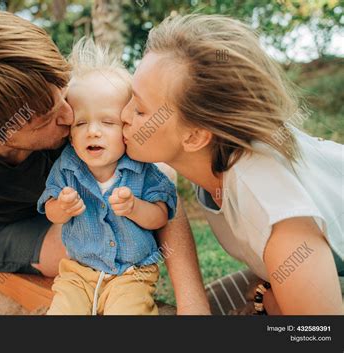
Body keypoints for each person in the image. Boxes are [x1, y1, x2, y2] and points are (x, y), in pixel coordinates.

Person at [0, 8, 210, 315]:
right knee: (85, 254)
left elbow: (153, 174)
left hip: (88, 207)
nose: (68, 115)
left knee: (143, 167)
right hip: (1, 229)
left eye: (61, 91)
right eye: (45, 117)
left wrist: (193, 304)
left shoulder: (42, 80)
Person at [121, 14, 344, 315]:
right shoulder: (219, 156)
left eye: (140, 110)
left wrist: (277, 301)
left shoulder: (275, 211)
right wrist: (268, 283)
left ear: (196, 136)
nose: (122, 114)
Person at [37, 39, 177, 315]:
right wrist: (62, 208)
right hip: (78, 272)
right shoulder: (67, 167)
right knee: (61, 311)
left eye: (108, 122)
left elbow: (161, 217)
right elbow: (51, 212)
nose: (93, 132)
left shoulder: (141, 168)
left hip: (132, 273)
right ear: (70, 131)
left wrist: (136, 208)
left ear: (126, 124)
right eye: (81, 123)